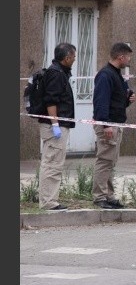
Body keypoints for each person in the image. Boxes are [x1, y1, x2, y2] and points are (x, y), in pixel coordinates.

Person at [92, 42, 136, 209]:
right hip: (108, 125)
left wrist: (127, 99)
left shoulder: (116, 74)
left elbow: (116, 101)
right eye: (129, 57)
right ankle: (100, 197)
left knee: (111, 161)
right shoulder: (105, 75)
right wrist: (105, 125)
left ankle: (108, 195)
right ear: (121, 57)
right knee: (104, 160)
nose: (129, 60)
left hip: (115, 123)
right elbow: (101, 102)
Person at [37, 42, 77, 211]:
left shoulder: (60, 72)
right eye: (73, 56)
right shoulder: (56, 74)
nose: (75, 59)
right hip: (54, 126)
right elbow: (51, 100)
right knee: (52, 163)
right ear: (67, 58)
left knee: (54, 163)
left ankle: (49, 199)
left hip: (57, 125)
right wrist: (55, 124)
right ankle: (48, 202)